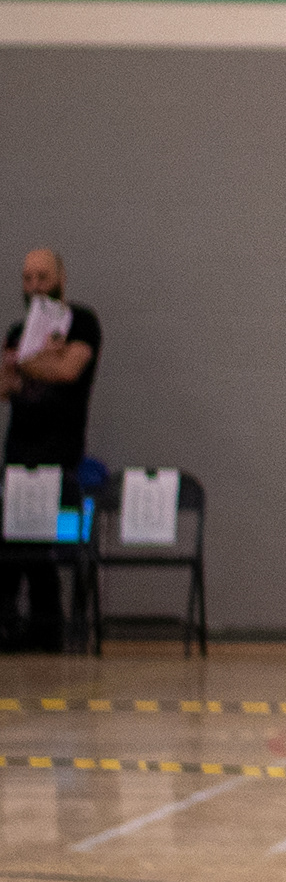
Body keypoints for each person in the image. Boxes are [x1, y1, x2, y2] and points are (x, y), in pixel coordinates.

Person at [2, 250, 98, 653]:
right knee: (12, 543)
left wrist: (23, 364)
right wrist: (27, 363)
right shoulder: (17, 330)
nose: (34, 286)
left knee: (41, 544)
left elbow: (66, 370)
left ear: (61, 277)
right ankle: (14, 625)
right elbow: (5, 385)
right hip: (17, 454)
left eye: (42, 277)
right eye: (27, 278)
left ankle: (48, 629)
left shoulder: (82, 323)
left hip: (59, 456)